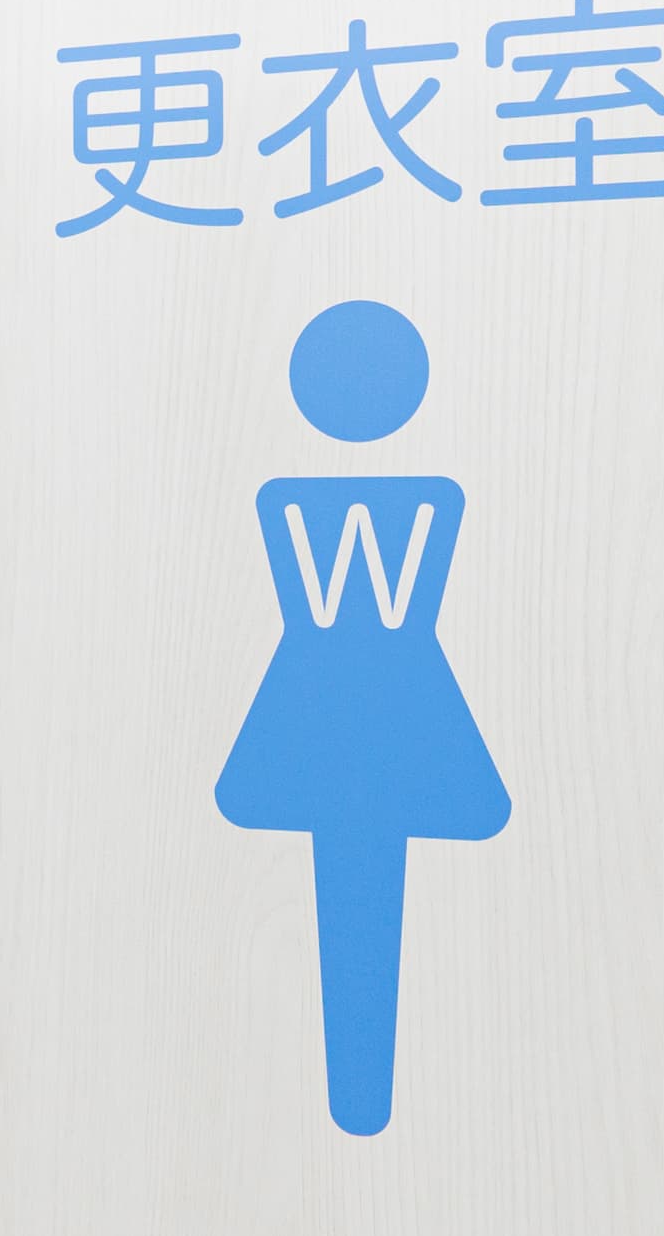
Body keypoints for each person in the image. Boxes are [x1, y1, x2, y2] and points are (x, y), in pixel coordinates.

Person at [215, 299, 510, 1133]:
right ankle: (357, 1104)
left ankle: (363, 1104)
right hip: (373, 707)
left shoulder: (300, 506)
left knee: (361, 888)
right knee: (354, 891)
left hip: (348, 710)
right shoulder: (419, 504)